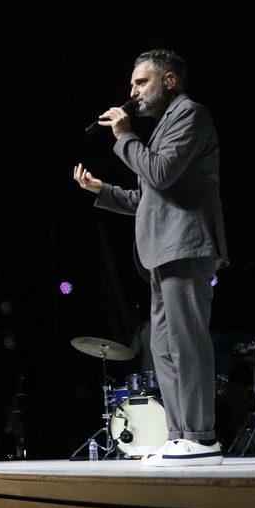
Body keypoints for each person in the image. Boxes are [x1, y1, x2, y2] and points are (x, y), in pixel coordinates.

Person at [73, 49, 227, 465]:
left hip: (185, 245)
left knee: (187, 343)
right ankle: (180, 436)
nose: (133, 92)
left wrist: (124, 136)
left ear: (169, 81)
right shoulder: (162, 128)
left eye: (141, 83)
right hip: (161, 252)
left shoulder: (189, 115)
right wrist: (102, 192)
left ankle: (201, 436)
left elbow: (158, 173)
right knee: (162, 346)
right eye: (131, 86)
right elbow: (147, 196)